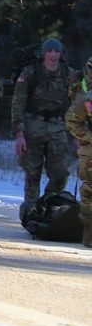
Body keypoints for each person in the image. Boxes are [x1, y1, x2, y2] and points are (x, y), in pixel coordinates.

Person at [10, 38, 77, 217]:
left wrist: (81, 132)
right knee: (33, 172)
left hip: (57, 126)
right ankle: (31, 211)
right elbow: (18, 104)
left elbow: (80, 100)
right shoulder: (31, 73)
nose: (53, 55)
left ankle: (48, 203)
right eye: (50, 51)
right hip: (33, 125)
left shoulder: (68, 74)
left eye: (57, 52)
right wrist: (19, 134)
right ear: (44, 53)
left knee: (61, 170)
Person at [64, 59, 92, 248]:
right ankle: (89, 235)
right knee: (89, 191)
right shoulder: (87, 99)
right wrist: (88, 136)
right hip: (90, 151)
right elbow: (71, 120)